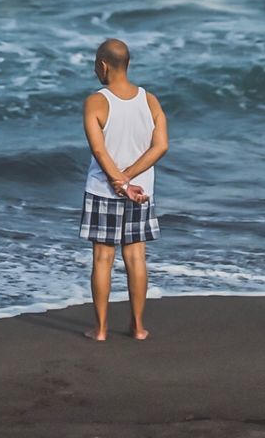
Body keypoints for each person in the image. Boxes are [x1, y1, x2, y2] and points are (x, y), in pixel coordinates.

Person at [79, 37, 169, 341]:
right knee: (136, 258)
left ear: (103, 66)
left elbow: (99, 151)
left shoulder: (96, 101)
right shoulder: (150, 100)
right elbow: (161, 146)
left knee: (103, 259)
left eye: (96, 65)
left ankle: (101, 329)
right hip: (142, 191)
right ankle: (138, 327)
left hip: (104, 191)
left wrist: (119, 180)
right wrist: (130, 179)